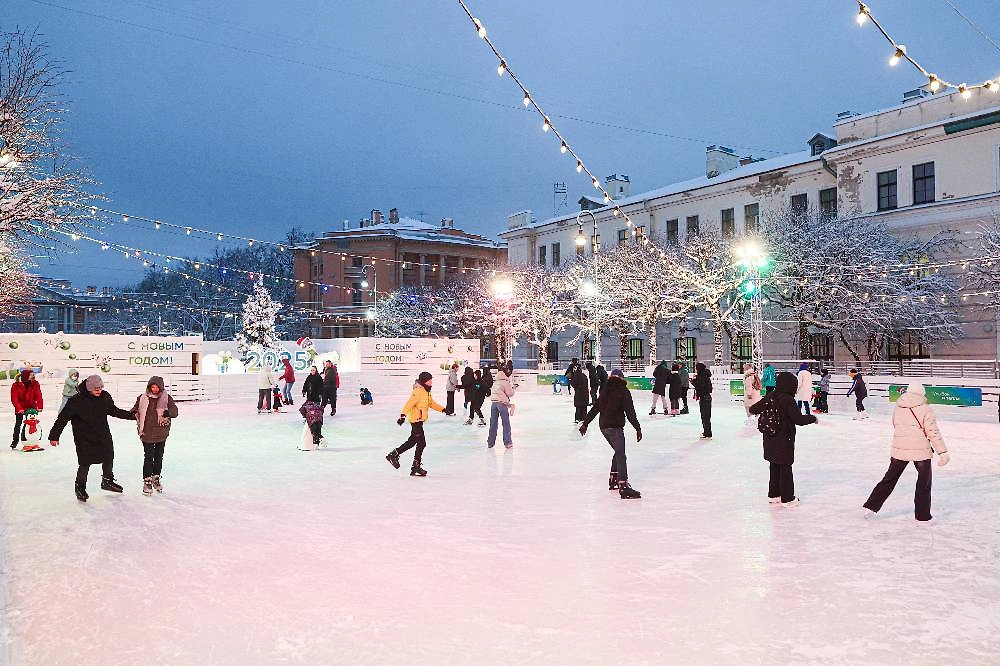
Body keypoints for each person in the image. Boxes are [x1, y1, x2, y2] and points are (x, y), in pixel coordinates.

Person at [863, 382, 949, 523]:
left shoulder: (898, 407)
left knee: (889, 479)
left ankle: (871, 506)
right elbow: (932, 432)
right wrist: (942, 451)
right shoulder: (926, 409)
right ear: (922, 393)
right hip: (920, 450)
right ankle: (923, 516)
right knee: (924, 483)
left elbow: (895, 424)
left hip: (900, 448)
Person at [48, 375, 136, 502]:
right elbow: (62, 419)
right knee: (85, 463)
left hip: (102, 434)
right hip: (84, 438)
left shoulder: (105, 397)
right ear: (89, 388)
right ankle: (80, 487)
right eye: (96, 388)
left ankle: (107, 481)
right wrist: (54, 436)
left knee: (108, 457)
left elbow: (114, 411)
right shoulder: (76, 400)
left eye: (100, 388)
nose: (99, 390)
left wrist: (131, 416)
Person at [748, 371, 818, 506]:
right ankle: (788, 498)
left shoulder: (771, 396)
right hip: (784, 439)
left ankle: (774, 495)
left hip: (769, 438)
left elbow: (753, 409)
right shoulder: (788, 400)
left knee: (774, 465)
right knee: (785, 467)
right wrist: (812, 418)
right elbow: (798, 419)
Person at [579, 369, 642, 499]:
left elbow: (595, 408)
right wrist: (637, 428)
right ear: (622, 379)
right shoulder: (623, 392)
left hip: (604, 427)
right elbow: (630, 412)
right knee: (621, 454)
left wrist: (585, 423)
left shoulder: (605, 391)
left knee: (617, 451)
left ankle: (613, 478)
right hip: (615, 427)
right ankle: (623, 485)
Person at [386, 371, 444, 476]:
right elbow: (409, 403)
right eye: (430, 380)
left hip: (419, 421)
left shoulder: (427, 391)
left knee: (412, 442)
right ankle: (414, 466)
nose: (431, 382)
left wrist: (443, 410)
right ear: (424, 381)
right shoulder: (418, 392)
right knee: (422, 443)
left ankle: (394, 455)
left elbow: (432, 404)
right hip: (415, 421)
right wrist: (402, 416)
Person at [129, 376, 179, 496]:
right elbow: (135, 409)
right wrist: (134, 413)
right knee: (149, 456)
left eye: (157, 387)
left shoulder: (167, 398)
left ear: (161, 387)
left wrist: (169, 413)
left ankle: (156, 478)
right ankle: (147, 481)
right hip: (147, 432)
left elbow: (175, 411)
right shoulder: (142, 398)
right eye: (153, 386)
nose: (155, 389)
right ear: (149, 386)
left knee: (158, 456)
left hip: (161, 432)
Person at [11, 368, 43, 450]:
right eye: (31, 375)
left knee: (32, 424)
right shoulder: (16, 385)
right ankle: (15, 441)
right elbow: (14, 399)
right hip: (20, 408)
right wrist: (19, 408)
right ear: (26, 376)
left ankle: (33, 441)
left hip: (31, 407)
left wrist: (39, 406)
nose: (33, 376)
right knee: (18, 424)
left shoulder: (35, 383)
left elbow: (38, 395)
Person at [487, 360, 516, 449]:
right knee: (506, 423)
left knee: (493, 423)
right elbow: (510, 393)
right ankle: (507, 442)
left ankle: (490, 442)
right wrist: (514, 388)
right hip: (502, 404)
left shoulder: (496, 382)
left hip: (494, 404)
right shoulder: (505, 382)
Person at [692, 363, 714, 440]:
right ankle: (706, 432)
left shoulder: (703, 376)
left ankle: (708, 433)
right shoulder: (704, 375)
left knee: (705, 416)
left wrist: (693, 382)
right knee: (705, 416)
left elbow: (700, 386)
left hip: (705, 397)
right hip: (705, 397)